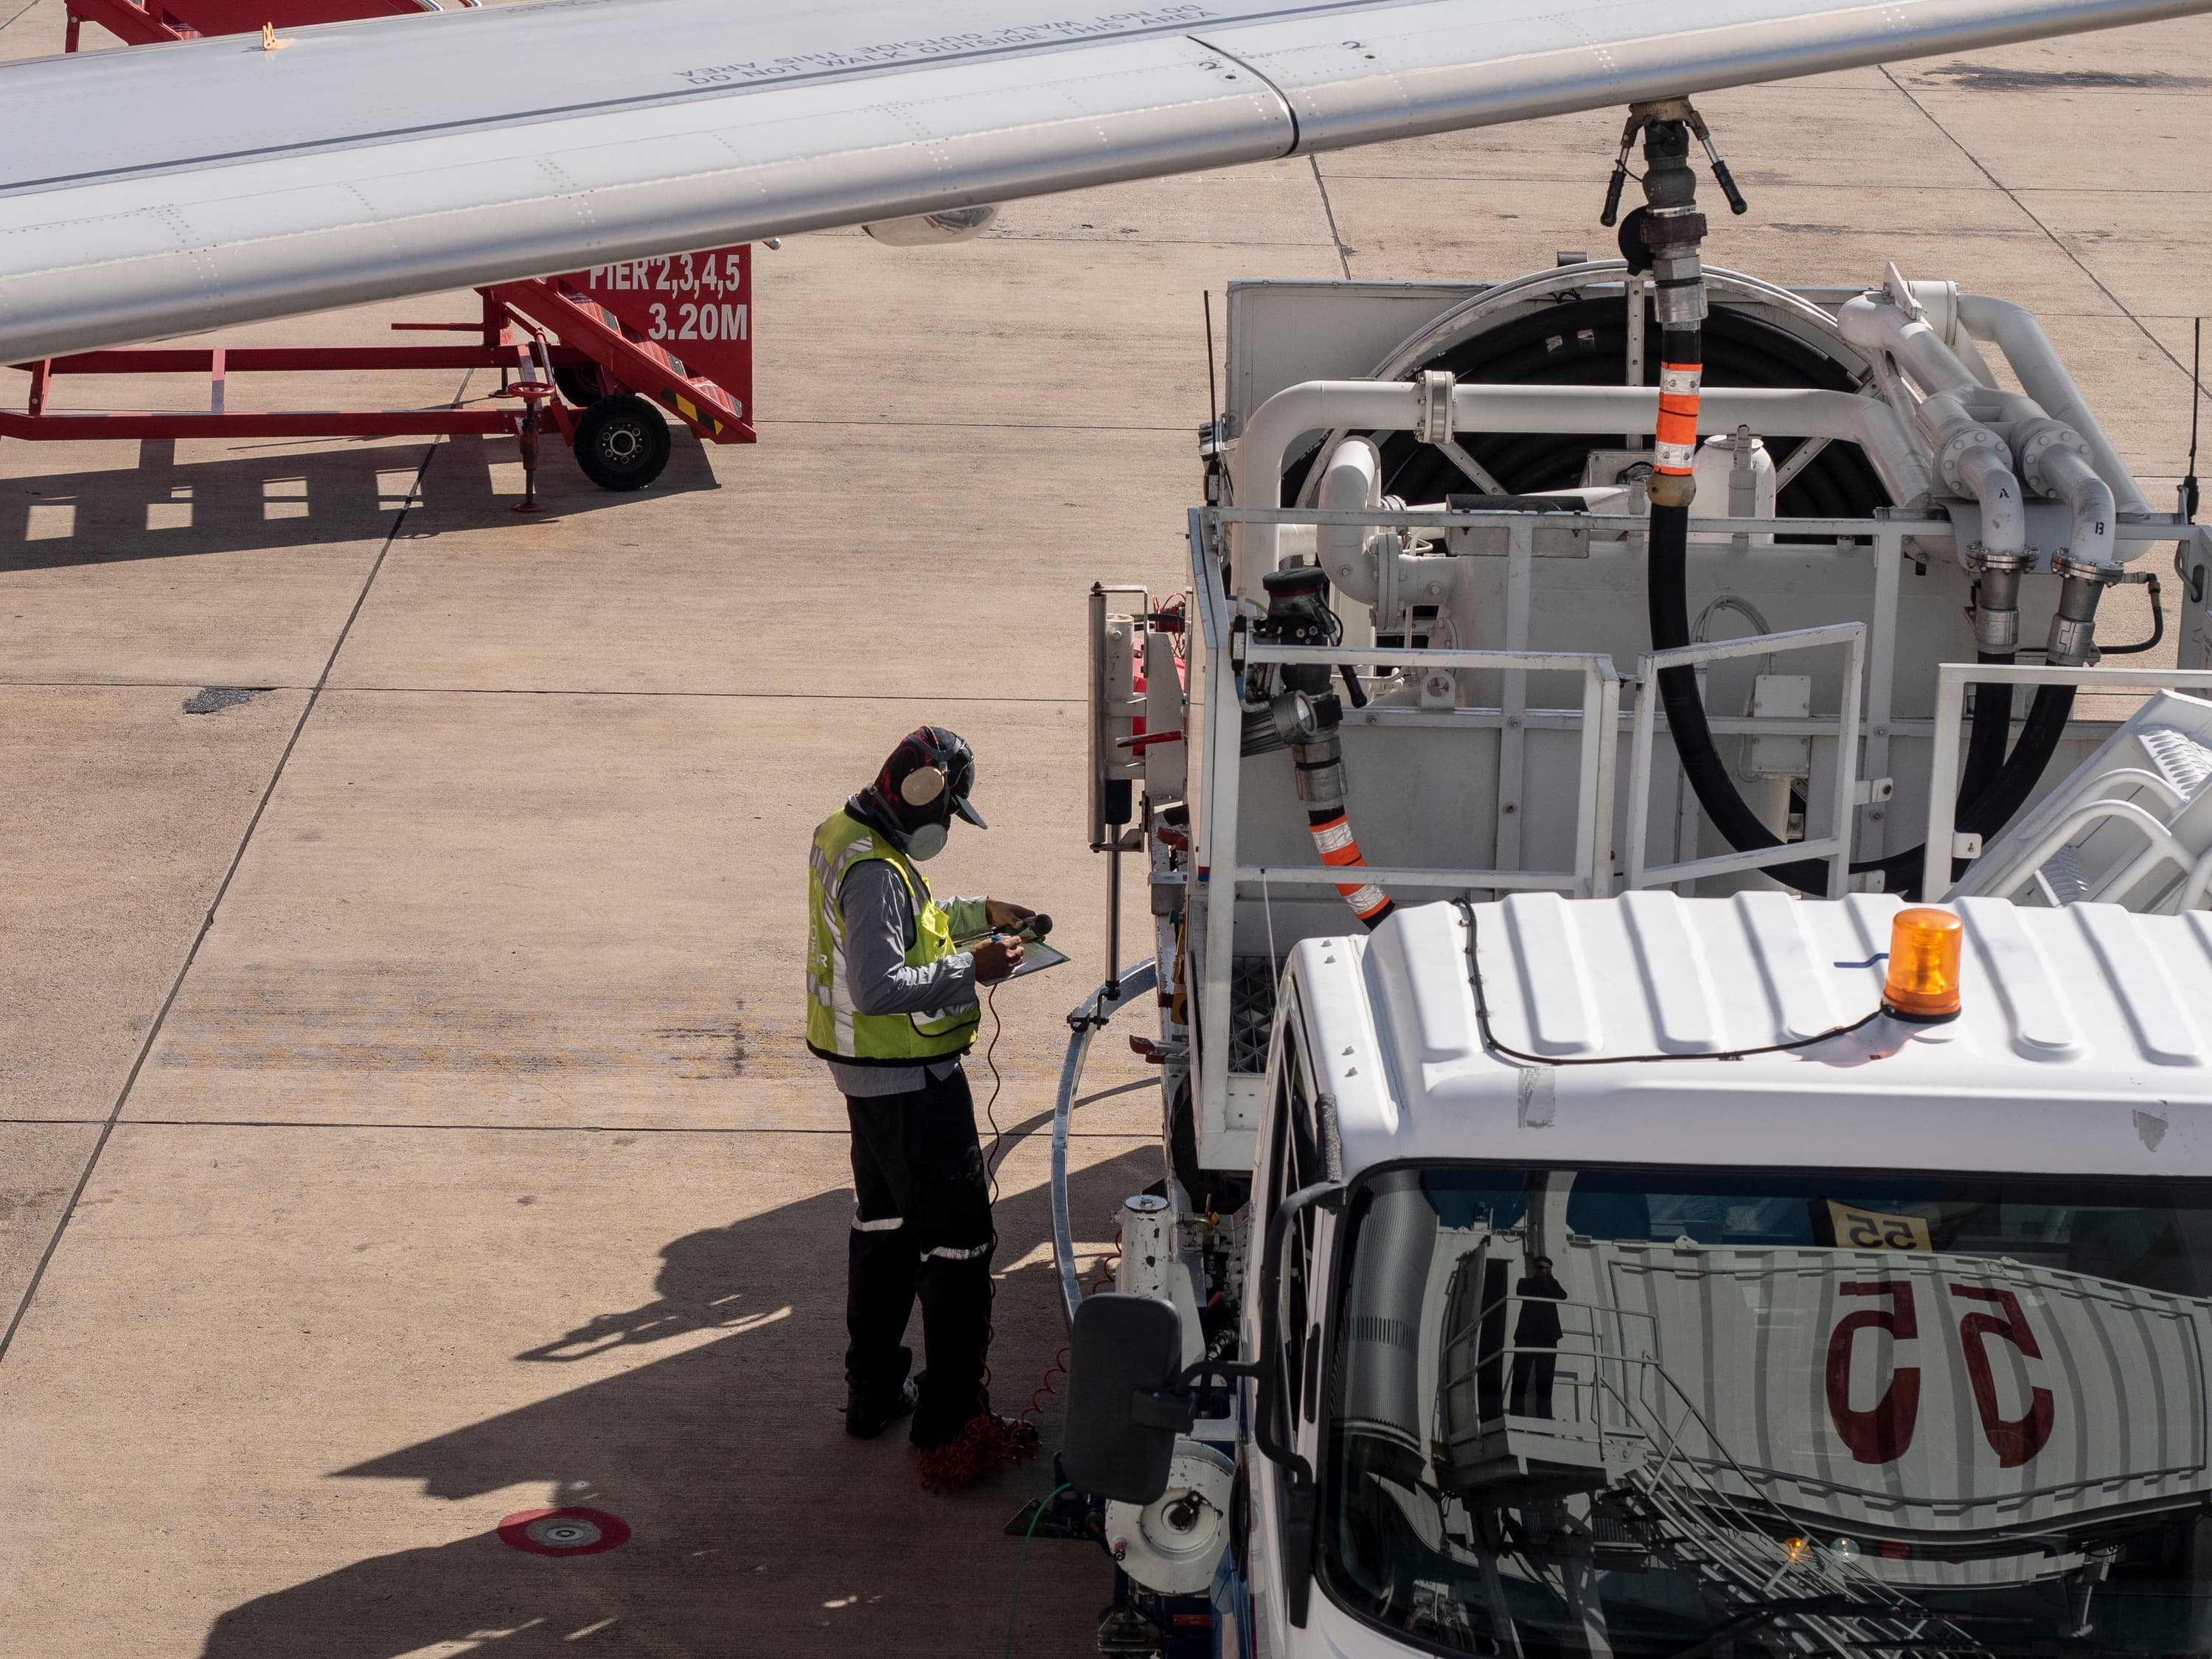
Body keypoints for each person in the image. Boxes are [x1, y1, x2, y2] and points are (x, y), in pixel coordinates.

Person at [805, 725, 1037, 1448]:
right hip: (910, 1082)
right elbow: (880, 985)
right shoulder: (876, 872)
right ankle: (952, 1419)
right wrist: (979, 968)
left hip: (869, 1079)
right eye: (948, 812)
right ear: (924, 797)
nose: (947, 827)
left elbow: (913, 922)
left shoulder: (849, 831)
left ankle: (871, 1393)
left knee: (886, 1228)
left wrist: (980, 916)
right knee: (962, 1245)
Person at [1509, 1256, 1568, 1419]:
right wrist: (1543, 1278)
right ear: (1535, 1268)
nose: (1544, 1271)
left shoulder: (1552, 1284)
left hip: (1548, 1336)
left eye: (1548, 1268)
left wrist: (1550, 1278)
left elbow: (1563, 1295)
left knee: (1545, 1379)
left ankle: (1544, 1417)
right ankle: (1516, 1416)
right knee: (1520, 1376)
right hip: (1526, 1335)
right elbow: (1523, 1291)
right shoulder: (1525, 1283)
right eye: (1541, 1268)